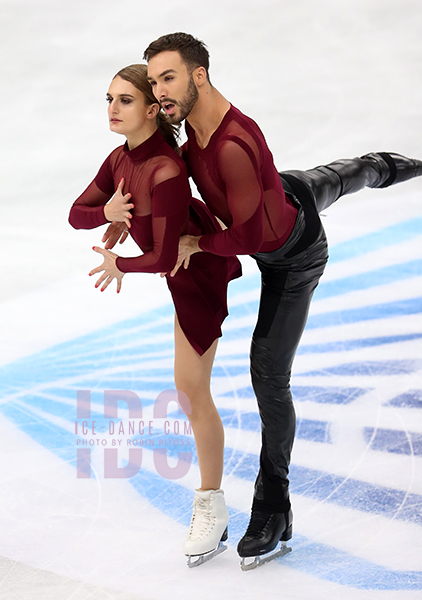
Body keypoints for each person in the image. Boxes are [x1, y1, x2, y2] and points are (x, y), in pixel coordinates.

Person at [140, 32, 422, 569]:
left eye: (169, 78)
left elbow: (247, 242)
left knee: (268, 374)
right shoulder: (192, 137)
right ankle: (380, 164)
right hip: (286, 193)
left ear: (199, 74)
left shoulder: (231, 144)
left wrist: (198, 242)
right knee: (341, 177)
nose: (160, 92)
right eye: (154, 81)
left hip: (293, 257)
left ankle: (274, 504)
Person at [68, 64, 242, 566]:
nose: (112, 109)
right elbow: (77, 212)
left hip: (197, 274)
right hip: (177, 273)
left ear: (150, 109)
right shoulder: (119, 159)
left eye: (124, 101)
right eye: (108, 99)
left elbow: (165, 258)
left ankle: (211, 502)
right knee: (189, 390)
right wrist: (108, 214)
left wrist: (119, 261)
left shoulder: (165, 169)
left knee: (190, 391)